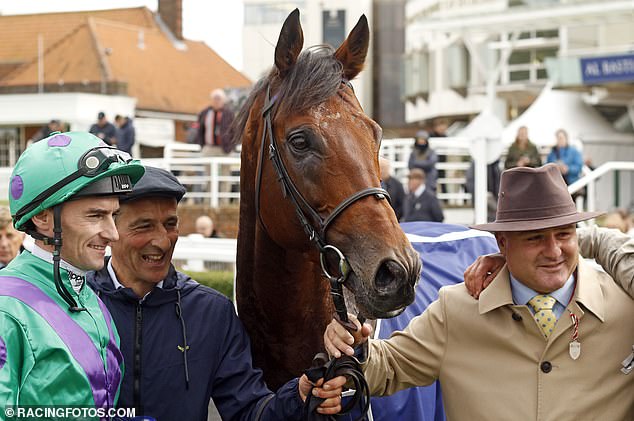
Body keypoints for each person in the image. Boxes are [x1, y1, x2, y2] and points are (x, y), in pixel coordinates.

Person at [324, 163, 634, 420]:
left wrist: (589, 240)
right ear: (502, 243)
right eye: (535, 238)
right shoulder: (456, 310)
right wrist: (355, 348)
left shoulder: (625, 308)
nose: (553, 251)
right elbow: (389, 365)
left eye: (564, 234)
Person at [86, 166, 345, 420]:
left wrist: (298, 397)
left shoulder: (212, 313)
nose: (163, 241)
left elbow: (249, 411)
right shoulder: (71, 302)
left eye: (170, 224)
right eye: (144, 226)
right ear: (111, 230)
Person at [0, 132, 145, 409]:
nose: (113, 234)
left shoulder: (89, 297)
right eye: (96, 215)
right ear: (43, 217)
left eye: (113, 215)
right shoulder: (5, 308)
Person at [195, 88, 236, 156]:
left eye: (219, 99)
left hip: (225, 149)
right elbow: (200, 129)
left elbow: (235, 131)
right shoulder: (205, 113)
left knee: (225, 166)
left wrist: (232, 147)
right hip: (209, 148)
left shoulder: (229, 114)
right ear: (211, 100)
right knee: (208, 166)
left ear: (223, 100)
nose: (216, 101)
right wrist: (201, 145)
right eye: (215, 98)